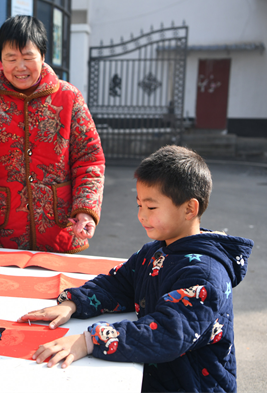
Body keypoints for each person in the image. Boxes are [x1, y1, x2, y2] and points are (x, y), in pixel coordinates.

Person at [19, 145, 254, 393]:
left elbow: (168, 333)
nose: (141, 215)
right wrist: (73, 303)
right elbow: (119, 283)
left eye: (151, 208)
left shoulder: (205, 275)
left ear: (189, 209)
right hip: (156, 376)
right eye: (139, 204)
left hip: (191, 385)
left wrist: (89, 341)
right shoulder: (154, 251)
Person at [0, 15, 105, 254]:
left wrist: (85, 209)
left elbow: (89, 159)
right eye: (11, 58)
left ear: (43, 56)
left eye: (28, 57)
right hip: (1, 236)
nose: (20, 67)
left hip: (62, 232)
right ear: (1, 59)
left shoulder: (69, 98)